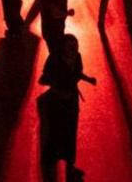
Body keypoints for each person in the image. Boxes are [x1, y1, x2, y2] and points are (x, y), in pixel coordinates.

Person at [38, 34, 95, 181]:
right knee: (55, 129)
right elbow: (43, 79)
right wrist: (57, 86)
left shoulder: (77, 57)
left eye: (75, 46)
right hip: (56, 102)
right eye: (70, 47)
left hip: (71, 102)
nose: (74, 49)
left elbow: (77, 73)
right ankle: (51, 159)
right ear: (63, 47)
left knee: (70, 131)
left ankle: (69, 161)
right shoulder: (54, 60)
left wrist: (88, 79)